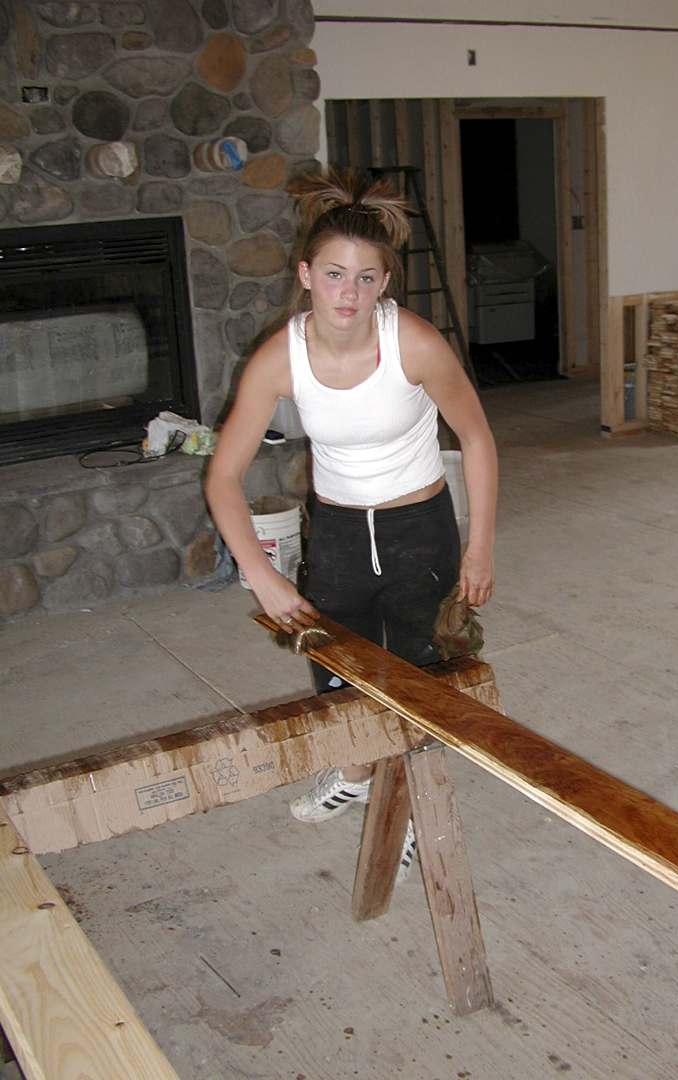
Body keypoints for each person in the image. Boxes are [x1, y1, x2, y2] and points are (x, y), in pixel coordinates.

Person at [205, 168, 498, 876]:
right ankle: (359, 773)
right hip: (336, 534)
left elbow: (477, 437)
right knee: (338, 669)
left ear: (384, 285)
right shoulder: (280, 358)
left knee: (423, 676)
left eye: (366, 279)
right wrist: (263, 577)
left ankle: (416, 806)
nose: (349, 293)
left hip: (418, 531)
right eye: (334, 274)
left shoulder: (414, 344)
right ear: (306, 275)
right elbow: (223, 477)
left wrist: (481, 546)